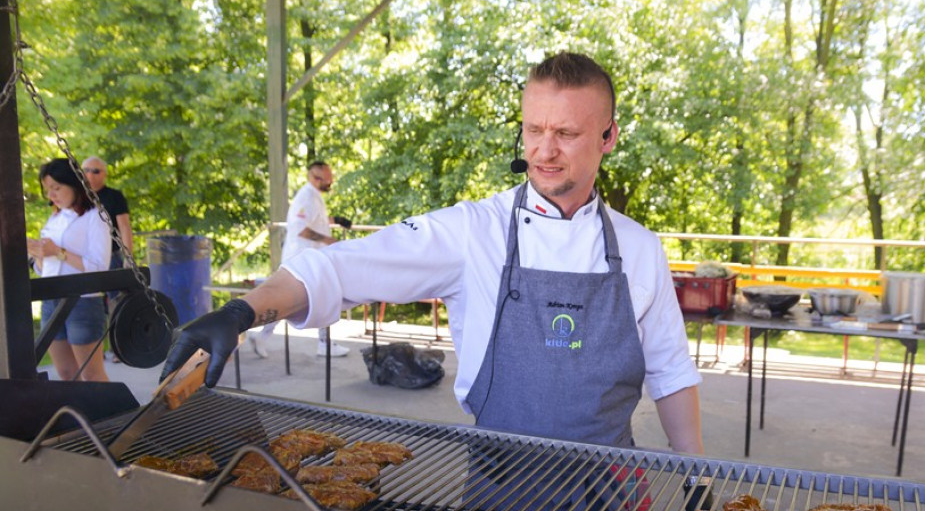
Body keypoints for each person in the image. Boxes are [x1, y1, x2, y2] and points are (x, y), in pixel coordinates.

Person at [164, 52, 703, 455]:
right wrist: (242, 312)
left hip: (611, 493)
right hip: (501, 488)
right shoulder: (474, 231)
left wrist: (697, 479)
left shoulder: (638, 248)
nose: (543, 150)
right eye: (533, 129)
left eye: (565, 133)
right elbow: (339, 266)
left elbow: (672, 373)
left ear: (608, 136)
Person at [249, 160, 351, 359]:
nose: (331, 183)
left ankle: (262, 337)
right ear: (315, 177)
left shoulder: (314, 196)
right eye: (328, 180)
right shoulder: (306, 196)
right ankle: (324, 343)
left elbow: (316, 220)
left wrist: (336, 220)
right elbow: (301, 229)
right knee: (325, 294)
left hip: (310, 259)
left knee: (291, 299)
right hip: (303, 259)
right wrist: (330, 240)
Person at [27, 158, 112, 382]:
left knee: (91, 374)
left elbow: (99, 267)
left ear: (74, 185)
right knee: (65, 373)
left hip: (82, 302)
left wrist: (59, 251)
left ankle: (111, 417)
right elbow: (45, 268)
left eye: (56, 188)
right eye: (47, 190)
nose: (51, 195)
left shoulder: (95, 217)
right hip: (51, 301)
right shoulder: (54, 217)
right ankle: (75, 416)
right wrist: (37, 253)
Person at [82, 156, 133, 272]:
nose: (90, 174)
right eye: (86, 170)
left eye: (96, 171)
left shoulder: (115, 196)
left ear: (105, 174)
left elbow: (124, 227)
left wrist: (129, 258)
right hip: (79, 257)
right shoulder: (75, 197)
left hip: (111, 257)